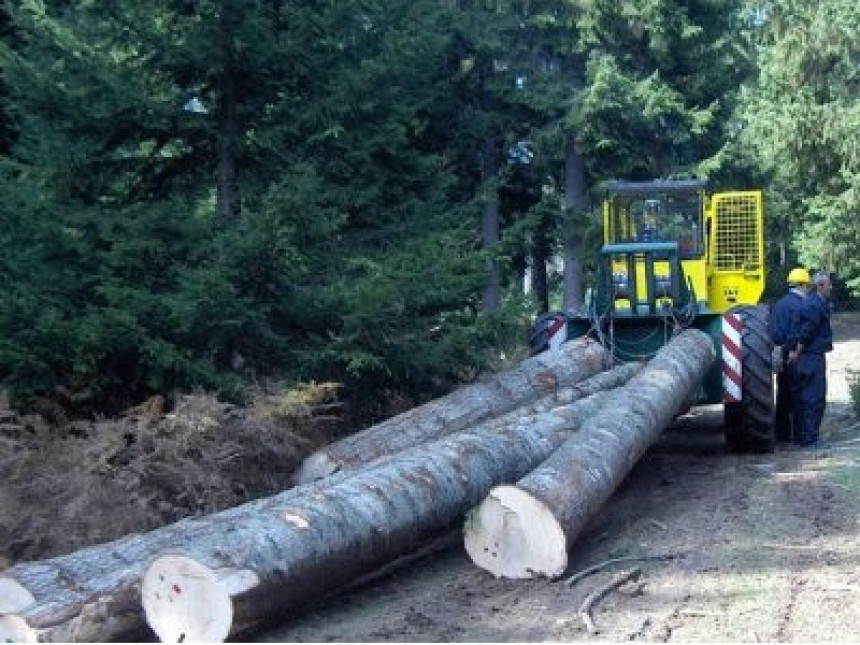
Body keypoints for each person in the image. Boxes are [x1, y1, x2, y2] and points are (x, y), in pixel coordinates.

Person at [787, 271, 834, 448]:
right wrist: (796, 352)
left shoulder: (811, 303)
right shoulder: (814, 305)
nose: (831, 287)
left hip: (808, 356)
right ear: (820, 286)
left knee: (804, 397)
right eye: (828, 284)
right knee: (814, 398)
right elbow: (806, 332)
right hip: (811, 357)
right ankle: (811, 439)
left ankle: (802, 436)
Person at [769, 267, 811, 443]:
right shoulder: (801, 305)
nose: (808, 289)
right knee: (799, 397)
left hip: (780, 354)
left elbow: (773, 331)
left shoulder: (779, 304)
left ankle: (782, 435)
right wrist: (793, 349)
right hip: (795, 355)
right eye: (807, 286)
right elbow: (795, 332)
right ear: (801, 284)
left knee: (783, 396)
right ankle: (800, 435)